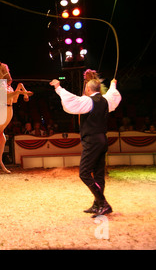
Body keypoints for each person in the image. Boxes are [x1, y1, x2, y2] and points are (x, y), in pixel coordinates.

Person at [50, 76, 121, 217]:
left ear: (88, 89)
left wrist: (58, 87)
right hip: (102, 139)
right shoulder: (106, 100)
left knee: (84, 173)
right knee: (99, 174)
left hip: (93, 141)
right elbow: (113, 95)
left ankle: (103, 203)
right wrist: (113, 85)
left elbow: (72, 100)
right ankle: (97, 204)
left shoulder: (89, 101)